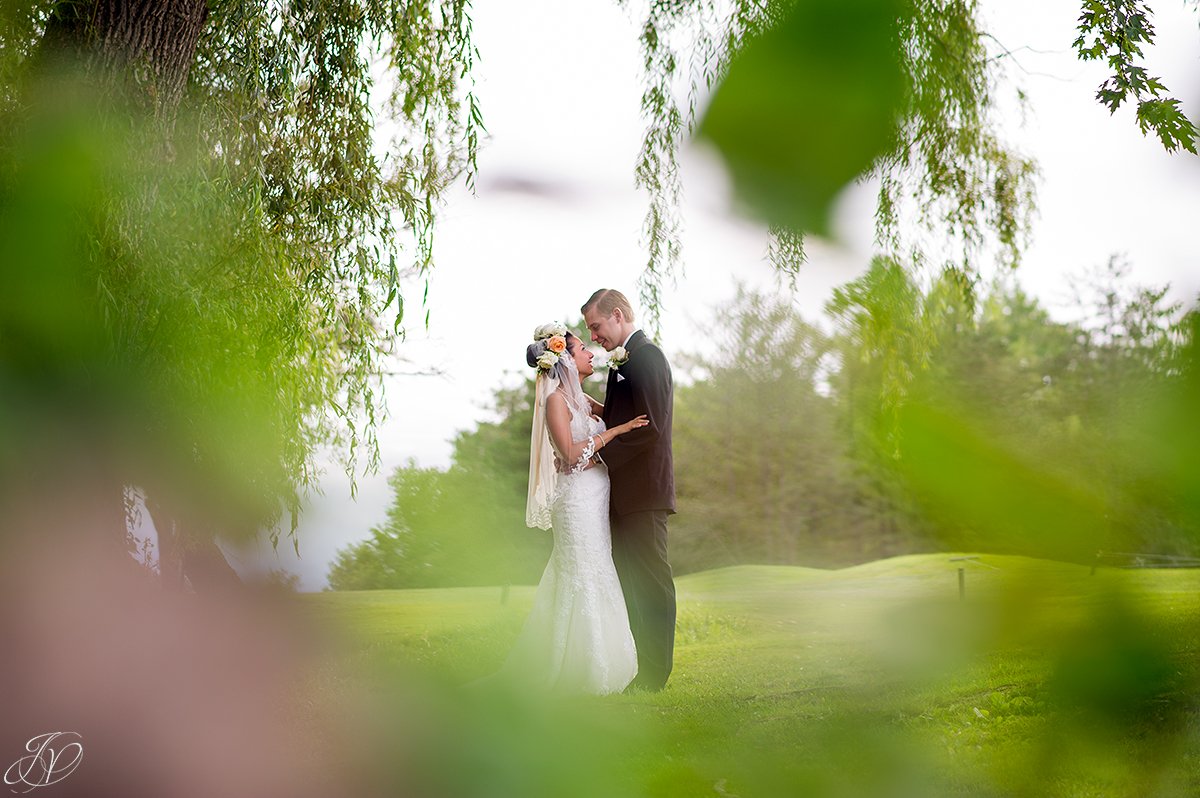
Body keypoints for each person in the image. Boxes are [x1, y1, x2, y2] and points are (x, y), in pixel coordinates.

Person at [499, 324, 648, 695]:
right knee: (581, 572)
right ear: (565, 358)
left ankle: (607, 664)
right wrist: (615, 433)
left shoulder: (582, 399)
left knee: (599, 570)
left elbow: (610, 415)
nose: (591, 353)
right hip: (576, 503)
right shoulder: (555, 402)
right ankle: (571, 668)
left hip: (595, 499)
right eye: (583, 348)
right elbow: (569, 454)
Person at [581, 289, 677, 692]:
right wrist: (597, 410)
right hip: (625, 493)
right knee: (631, 583)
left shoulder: (647, 357)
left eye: (596, 326)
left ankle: (656, 674)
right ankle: (641, 669)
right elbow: (628, 419)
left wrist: (598, 459)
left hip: (644, 492)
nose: (594, 336)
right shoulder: (626, 362)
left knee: (651, 582)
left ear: (617, 315)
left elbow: (651, 427)